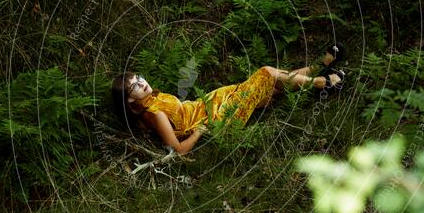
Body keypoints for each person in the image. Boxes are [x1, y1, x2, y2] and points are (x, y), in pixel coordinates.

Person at [111, 44, 345, 155]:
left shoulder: (152, 100)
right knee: (265, 73)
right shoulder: (155, 114)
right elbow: (178, 150)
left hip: (213, 101)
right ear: (130, 101)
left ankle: (317, 68)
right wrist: (200, 132)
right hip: (217, 117)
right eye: (134, 86)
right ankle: (324, 82)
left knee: (272, 84)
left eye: (139, 78)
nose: (142, 82)